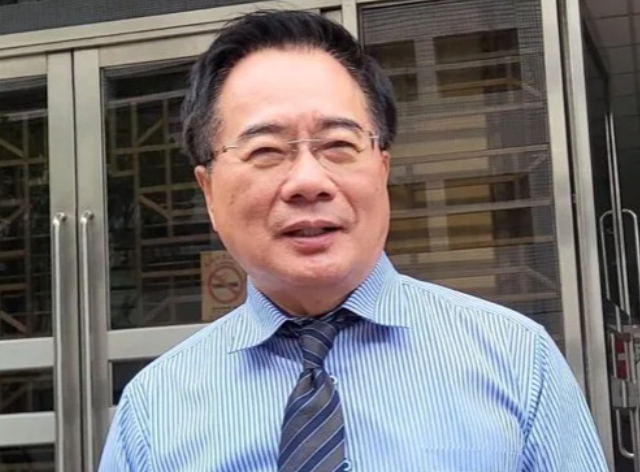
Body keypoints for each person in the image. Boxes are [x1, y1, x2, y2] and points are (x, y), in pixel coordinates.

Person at [99, 9, 609, 472]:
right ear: (209, 191)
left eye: (339, 145)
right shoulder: (155, 409)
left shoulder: (518, 360)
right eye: (266, 151)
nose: (308, 181)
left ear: (382, 169)